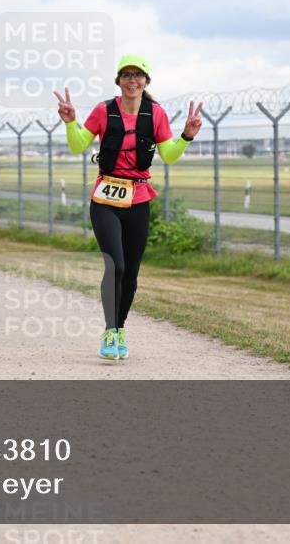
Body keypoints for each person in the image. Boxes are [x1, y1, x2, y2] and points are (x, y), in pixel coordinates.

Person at [56, 54, 203, 361]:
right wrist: (71, 122)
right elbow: (77, 145)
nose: (132, 80)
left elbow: (170, 155)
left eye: (138, 75)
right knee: (116, 265)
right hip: (105, 200)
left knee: (132, 272)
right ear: (119, 81)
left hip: (138, 200)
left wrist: (187, 135)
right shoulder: (103, 111)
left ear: (146, 81)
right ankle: (110, 331)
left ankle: (120, 329)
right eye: (126, 75)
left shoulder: (156, 114)